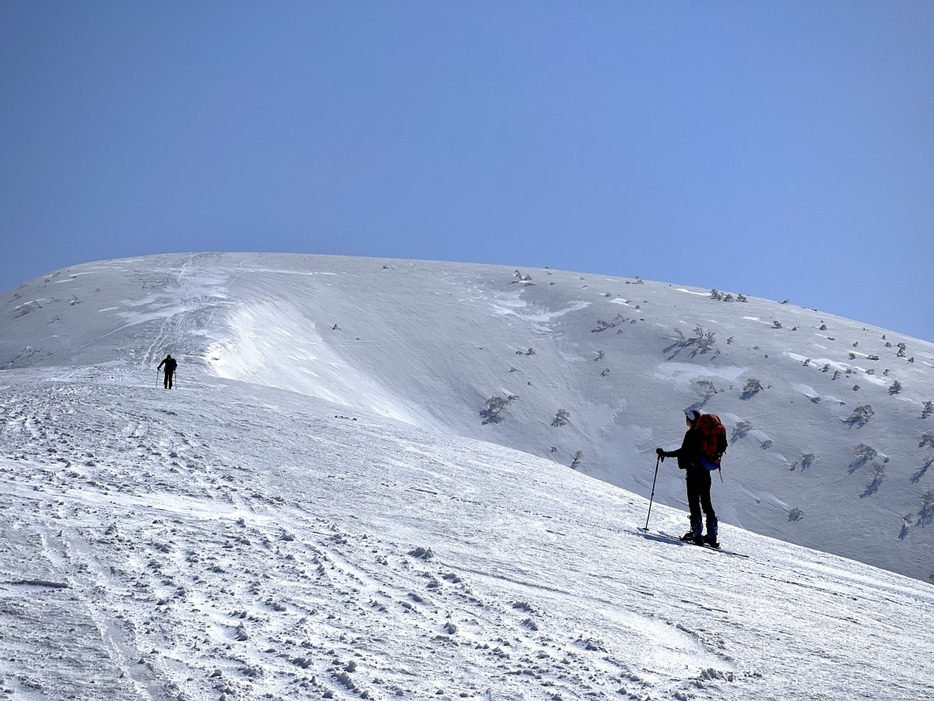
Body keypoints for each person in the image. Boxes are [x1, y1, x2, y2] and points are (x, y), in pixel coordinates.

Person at [656, 409, 719, 547]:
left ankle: (696, 533)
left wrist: (665, 454)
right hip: (705, 473)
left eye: (687, 418)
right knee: (707, 503)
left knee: (694, 501)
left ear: (690, 419)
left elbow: (683, 451)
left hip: (693, 473)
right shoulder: (704, 434)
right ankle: (712, 535)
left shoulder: (691, 434)